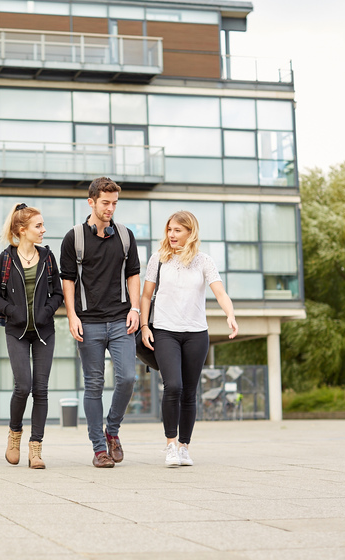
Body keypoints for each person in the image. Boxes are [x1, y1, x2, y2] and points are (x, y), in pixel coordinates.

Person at [139, 211, 238, 467]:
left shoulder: (204, 261)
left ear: (190, 232)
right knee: (173, 386)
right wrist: (144, 325)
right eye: (169, 229)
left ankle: (184, 447)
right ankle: (170, 445)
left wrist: (230, 314)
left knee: (189, 392)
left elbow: (220, 292)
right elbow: (146, 296)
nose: (172, 235)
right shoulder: (158, 259)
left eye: (178, 230)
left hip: (196, 333)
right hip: (165, 331)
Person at [59, 177, 141, 468]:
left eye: (115, 203)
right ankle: (98, 449)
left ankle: (113, 430)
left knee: (129, 378)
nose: (110, 208)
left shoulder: (125, 235)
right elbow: (67, 280)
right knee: (93, 385)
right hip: (89, 322)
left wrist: (136, 309)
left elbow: (133, 275)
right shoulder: (74, 237)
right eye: (105, 203)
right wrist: (71, 315)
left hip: (121, 319)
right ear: (91, 202)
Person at [0, 203, 64, 469]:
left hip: (44, 331)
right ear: (22, 230)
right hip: (17, 331)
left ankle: (36, 448)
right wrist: (14, 311)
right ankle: (14, 435)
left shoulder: (48, 257)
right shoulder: (6, 259)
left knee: (41, 389)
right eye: (38, 226)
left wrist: (46, 312)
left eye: (42, 225)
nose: (43, 230)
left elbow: (58, 293)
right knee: (23, 386)